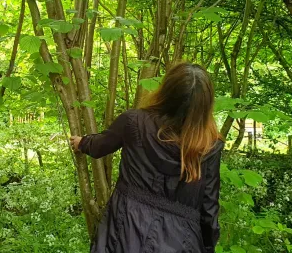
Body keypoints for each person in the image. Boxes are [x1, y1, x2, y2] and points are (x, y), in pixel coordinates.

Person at [70, 62, 224, 253]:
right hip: (183, 241)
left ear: (167, 91)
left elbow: (101, 145)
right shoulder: (209, 145)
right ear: (205, 105)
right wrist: (207, 247)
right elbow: (209, 209)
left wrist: (82, 142)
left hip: (127, 231)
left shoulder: (134, 121)